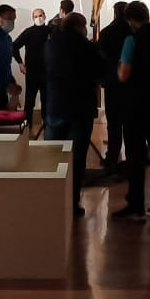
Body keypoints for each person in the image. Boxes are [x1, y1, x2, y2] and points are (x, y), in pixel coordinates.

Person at [112, 0, 150, 220]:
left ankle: (136, 206)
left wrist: (119, 67)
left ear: (130, 20)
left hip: (136, 104)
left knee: (136, 155)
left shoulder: (132, 39)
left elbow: (123, 75)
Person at [44, 11, 100, 216]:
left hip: (55, 106)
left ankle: (52, 200)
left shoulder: (50, 44)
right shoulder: (86, 47)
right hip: (80, 109)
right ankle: (71, 202)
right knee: (76, 159)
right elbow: (98, 73)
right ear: (79, 27)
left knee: (53, 155)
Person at [96, 0, 132, 171]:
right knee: (131, 121)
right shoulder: (132, 32)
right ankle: (133, 157)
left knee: (114, 122)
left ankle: (112, 157)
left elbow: (100, 57)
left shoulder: (107, 32)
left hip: (111, 82)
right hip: (131, 83)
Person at [12, 8, 52, 132]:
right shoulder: (28, 32)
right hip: (32, 73)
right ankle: (27, 128)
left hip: (47, 72)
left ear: (45, 16)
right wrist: (20, 63)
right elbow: (14, 46)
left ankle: (48, 128)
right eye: (36, 16)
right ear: (32, 18)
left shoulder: (51, 31)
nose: (38, 18)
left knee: (47, 101)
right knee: (29, 102)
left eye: (40, 15)